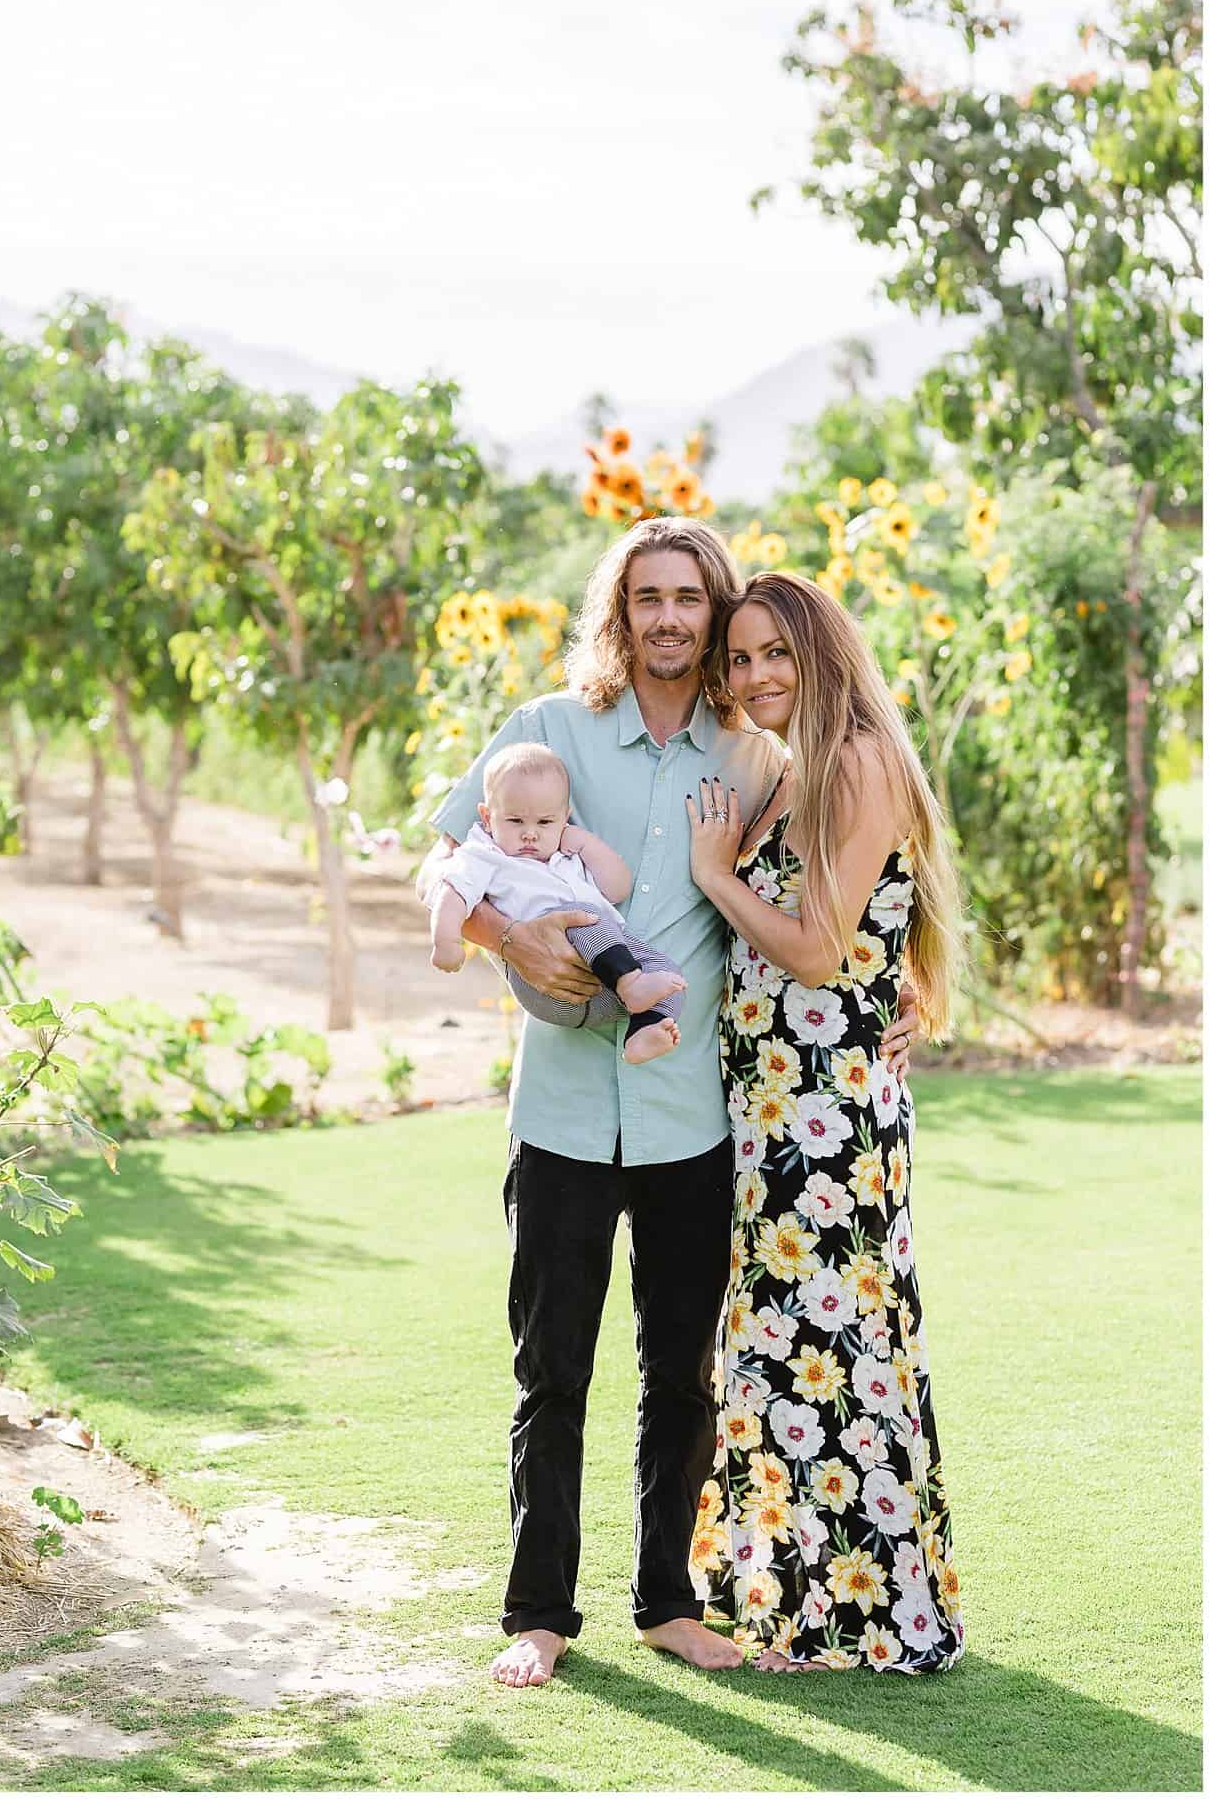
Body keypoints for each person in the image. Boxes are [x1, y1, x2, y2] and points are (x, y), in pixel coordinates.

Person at [416, 521, 917, 1691]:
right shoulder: (541, 729)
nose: (670, 618)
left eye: (690, 597)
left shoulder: (756, 756)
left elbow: (862, 875)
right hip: (560, 1118)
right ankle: (537, 1612)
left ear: (715, 609)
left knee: (680, 1376)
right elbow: (434, 863)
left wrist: (919, 989)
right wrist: (504, 931)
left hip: (697, 1119)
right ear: (619, 609)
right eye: (648, 596)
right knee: (551, 1372)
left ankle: (665, 1604)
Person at [683, 570, 964, 1674]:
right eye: (740, 658)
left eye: (773, 655)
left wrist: (714, 872)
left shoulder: (857, 760)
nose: (754, 676)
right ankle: (792, 1600)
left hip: (826, 1119)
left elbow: (812, 946)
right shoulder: (796, 770)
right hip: (773, 1110)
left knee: (831, 1348)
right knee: (787, 1347)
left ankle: (866, 1615)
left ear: (820, 652)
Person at [428, 742, 688, 1064]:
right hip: (545, 986)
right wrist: (446, 941)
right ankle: (632, 983)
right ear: (487, 816)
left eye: (545, 823)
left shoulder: (566, 857)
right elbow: (450, 891)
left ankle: (643, 1031)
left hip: (602, 988)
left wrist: (583, 843)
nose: (530, 835)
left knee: (668, 972)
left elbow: (618, 888)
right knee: (582, 917)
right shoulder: (485, 854)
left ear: (564, 819)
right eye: (515, 821)